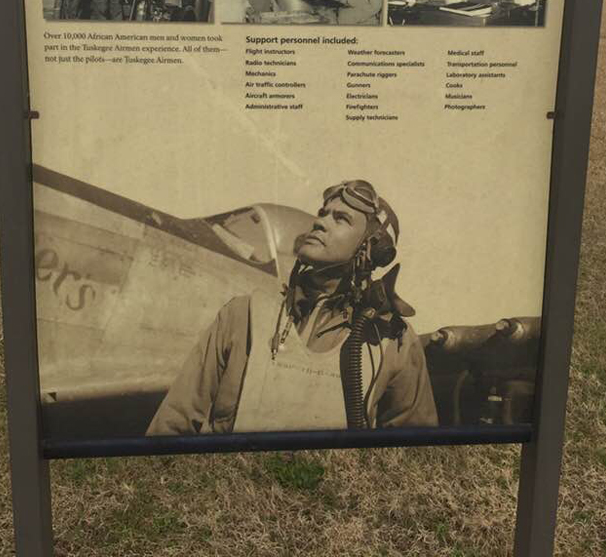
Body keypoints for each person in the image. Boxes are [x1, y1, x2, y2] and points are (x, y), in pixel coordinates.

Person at [146, 179, 437, 435]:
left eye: (341, 219)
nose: (319, 222)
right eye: (323, 213)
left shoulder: (392, 340)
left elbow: (414, 450)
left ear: (371, 249)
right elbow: (173, 424)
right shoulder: (241, 315)